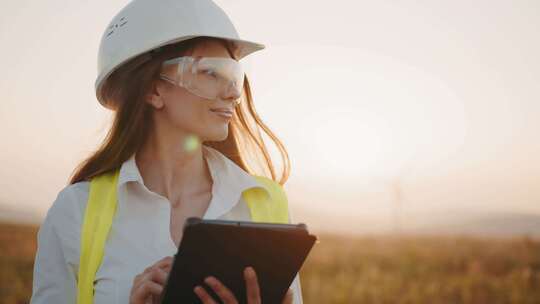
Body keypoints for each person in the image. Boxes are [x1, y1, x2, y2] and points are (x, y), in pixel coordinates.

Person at [29, 0, 303, 303]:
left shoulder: (265, 203)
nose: (231, 93)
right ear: (153, 90)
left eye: (233, 75)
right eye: (211, 72)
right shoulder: (74, 213)